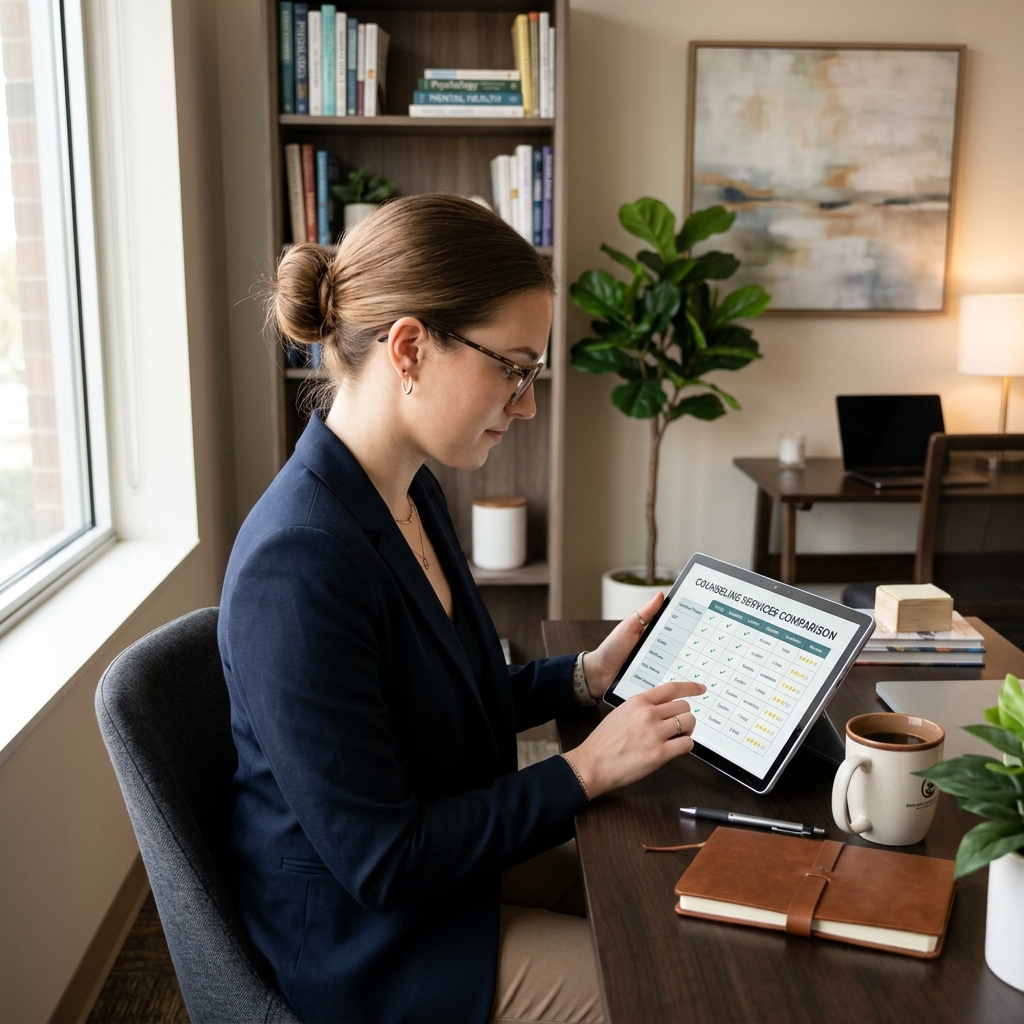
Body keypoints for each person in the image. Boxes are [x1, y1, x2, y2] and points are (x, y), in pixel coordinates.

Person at [218, 194, 704, 1024]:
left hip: (445, 880)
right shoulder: (297, 562)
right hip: (373, 940)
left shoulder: (410, 492)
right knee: (671, 992)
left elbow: (432, 705)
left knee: (672, 892)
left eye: (533, 374)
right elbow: (384, 862)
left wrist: (583, 680)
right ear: (409, 348)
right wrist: (585, 769)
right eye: (514, 368)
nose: (527, 405)